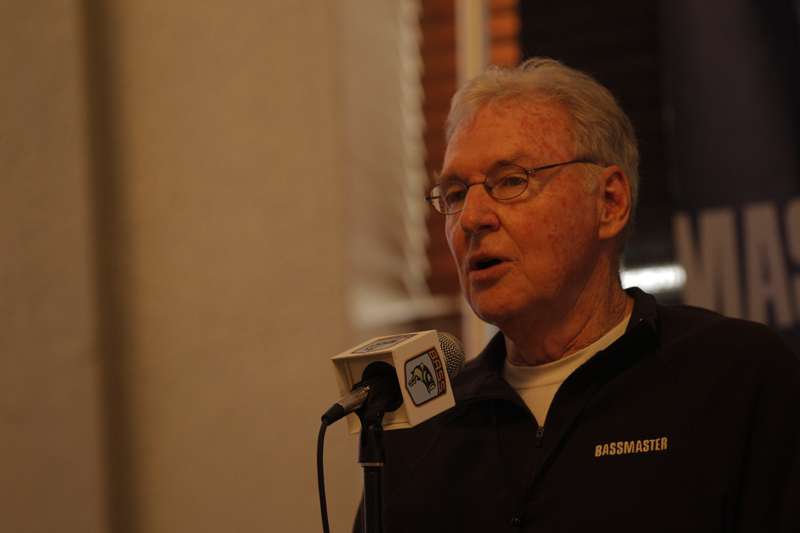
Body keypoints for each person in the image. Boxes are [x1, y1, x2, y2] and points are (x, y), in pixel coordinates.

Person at [355, 58, 800, 532]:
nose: (471, 218)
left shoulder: (736, 377)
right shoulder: (418, 432)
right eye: (456, 193)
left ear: (609, 202)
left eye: (512, 180)